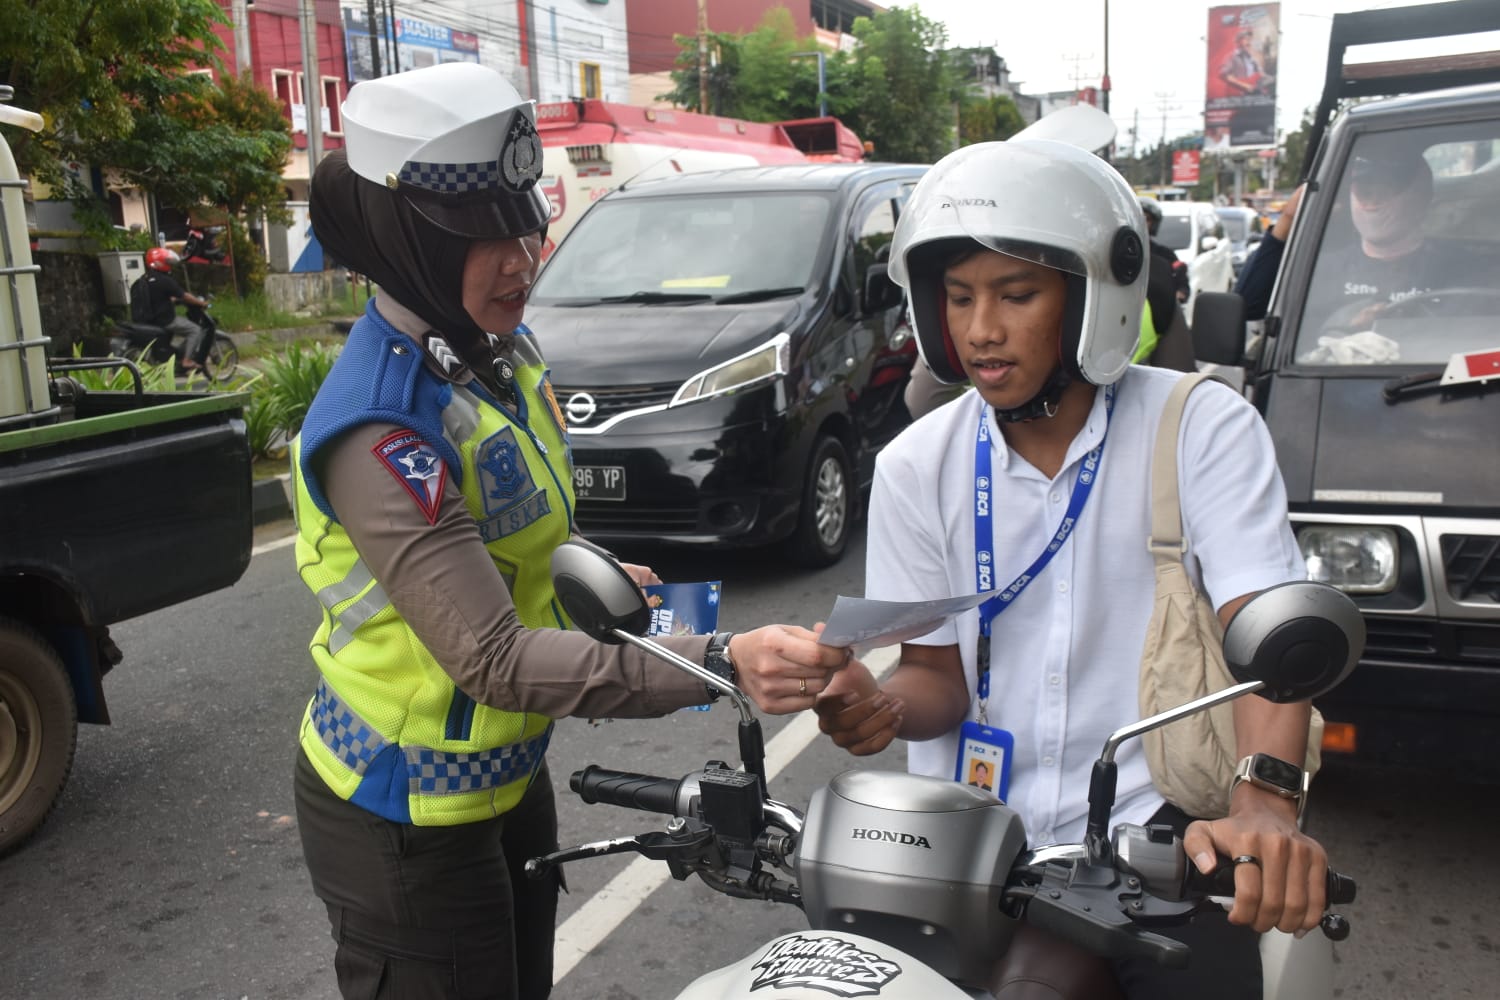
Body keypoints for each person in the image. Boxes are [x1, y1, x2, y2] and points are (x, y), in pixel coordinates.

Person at [290, 62, 849, 1000]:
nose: (522, 257)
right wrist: (719, 659)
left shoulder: (492, 355)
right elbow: (496, 659)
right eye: (483, 234)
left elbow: (523, 534)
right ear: (407, 234)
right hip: (405, 815)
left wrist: (590, 573)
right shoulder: (382, 425)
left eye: (527, 220)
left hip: (507, 781)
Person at [814, 138, 1324, 998]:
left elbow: (1264, 639)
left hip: (1153, 836)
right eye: (960, 297)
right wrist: (879, 706)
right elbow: (935, 677)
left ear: (1094, 296)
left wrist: (1264, 802)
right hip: (963, 850)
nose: (981, 329)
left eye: (1016, 295)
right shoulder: (914, 465)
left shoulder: (1202, 429)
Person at [129, 246, 210, 370]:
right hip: (165, 320)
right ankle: (186, 360)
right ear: (159, 262)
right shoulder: (164, 280)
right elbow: (185, 296)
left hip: (148, 319)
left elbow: (156, 297)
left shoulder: (144, 279)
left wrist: (172, 299)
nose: (169, 265)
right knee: (195, 330)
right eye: (167, 262)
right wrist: (201, 303)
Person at [1220, 28, 1271, 96]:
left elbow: (1258, 72)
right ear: (1238, 41)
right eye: (1246, 39)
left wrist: (1266, 77)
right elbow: (1224, 75)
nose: (1249, 42)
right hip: (1240, 93)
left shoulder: (1249, 56)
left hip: (1254, 90)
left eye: (1250, 40)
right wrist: (1245, 85)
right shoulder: (1231, 56)